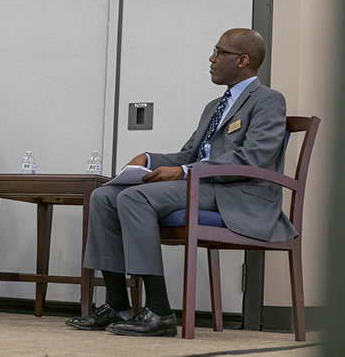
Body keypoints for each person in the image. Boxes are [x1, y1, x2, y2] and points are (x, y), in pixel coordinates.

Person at [66, 28, 297, 336]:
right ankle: (117, 304)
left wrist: (187, 172)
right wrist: (148, 159)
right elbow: (188, 154)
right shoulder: (214, 106)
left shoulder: (269, 100)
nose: (211, 59)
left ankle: (160, 311)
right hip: (203, 186)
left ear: (243, 60)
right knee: (104, 196)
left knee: (135, 198)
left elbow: (252, 160)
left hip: (241, 194)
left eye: (219, 52)